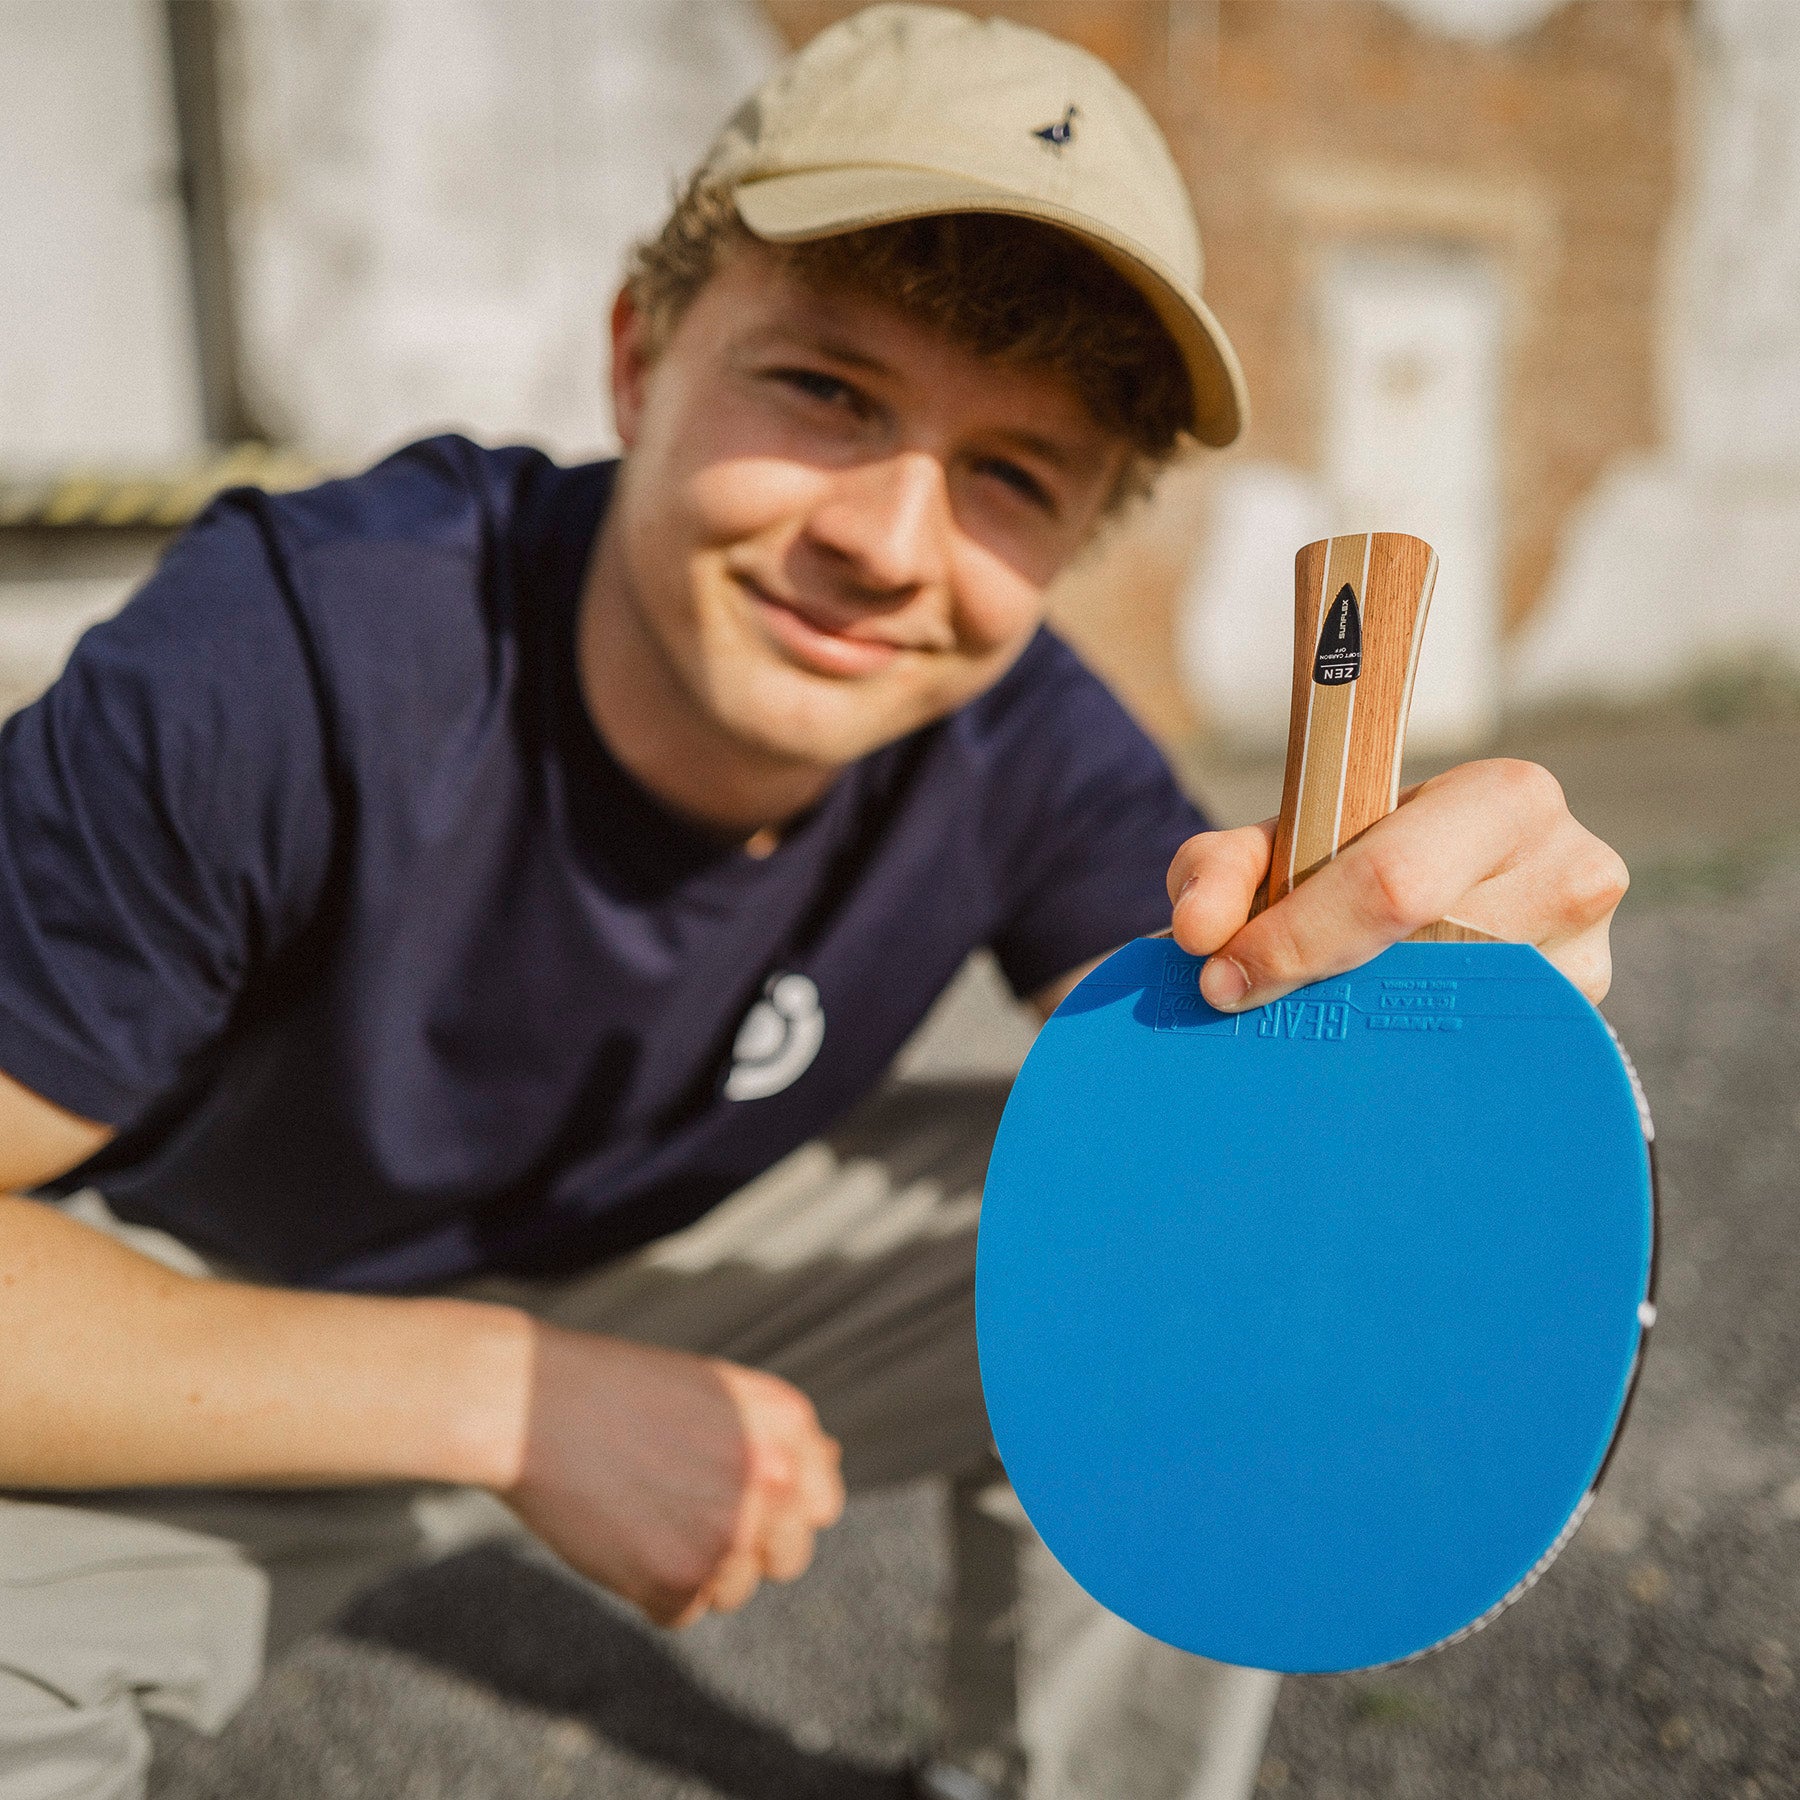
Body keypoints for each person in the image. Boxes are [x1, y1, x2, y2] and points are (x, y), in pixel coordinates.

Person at [0, 8, 1627, 1799]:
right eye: (827, 391)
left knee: (1168, 1263)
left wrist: (1446, 986)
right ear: (638, 363)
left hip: (658, 1275)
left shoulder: (1021, 741)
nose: (888, 539)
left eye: (1014, 475)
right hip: (199, 1314)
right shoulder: (289, 654)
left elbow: (1267, 1129)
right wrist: (501, 1394)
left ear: (1075, 541)